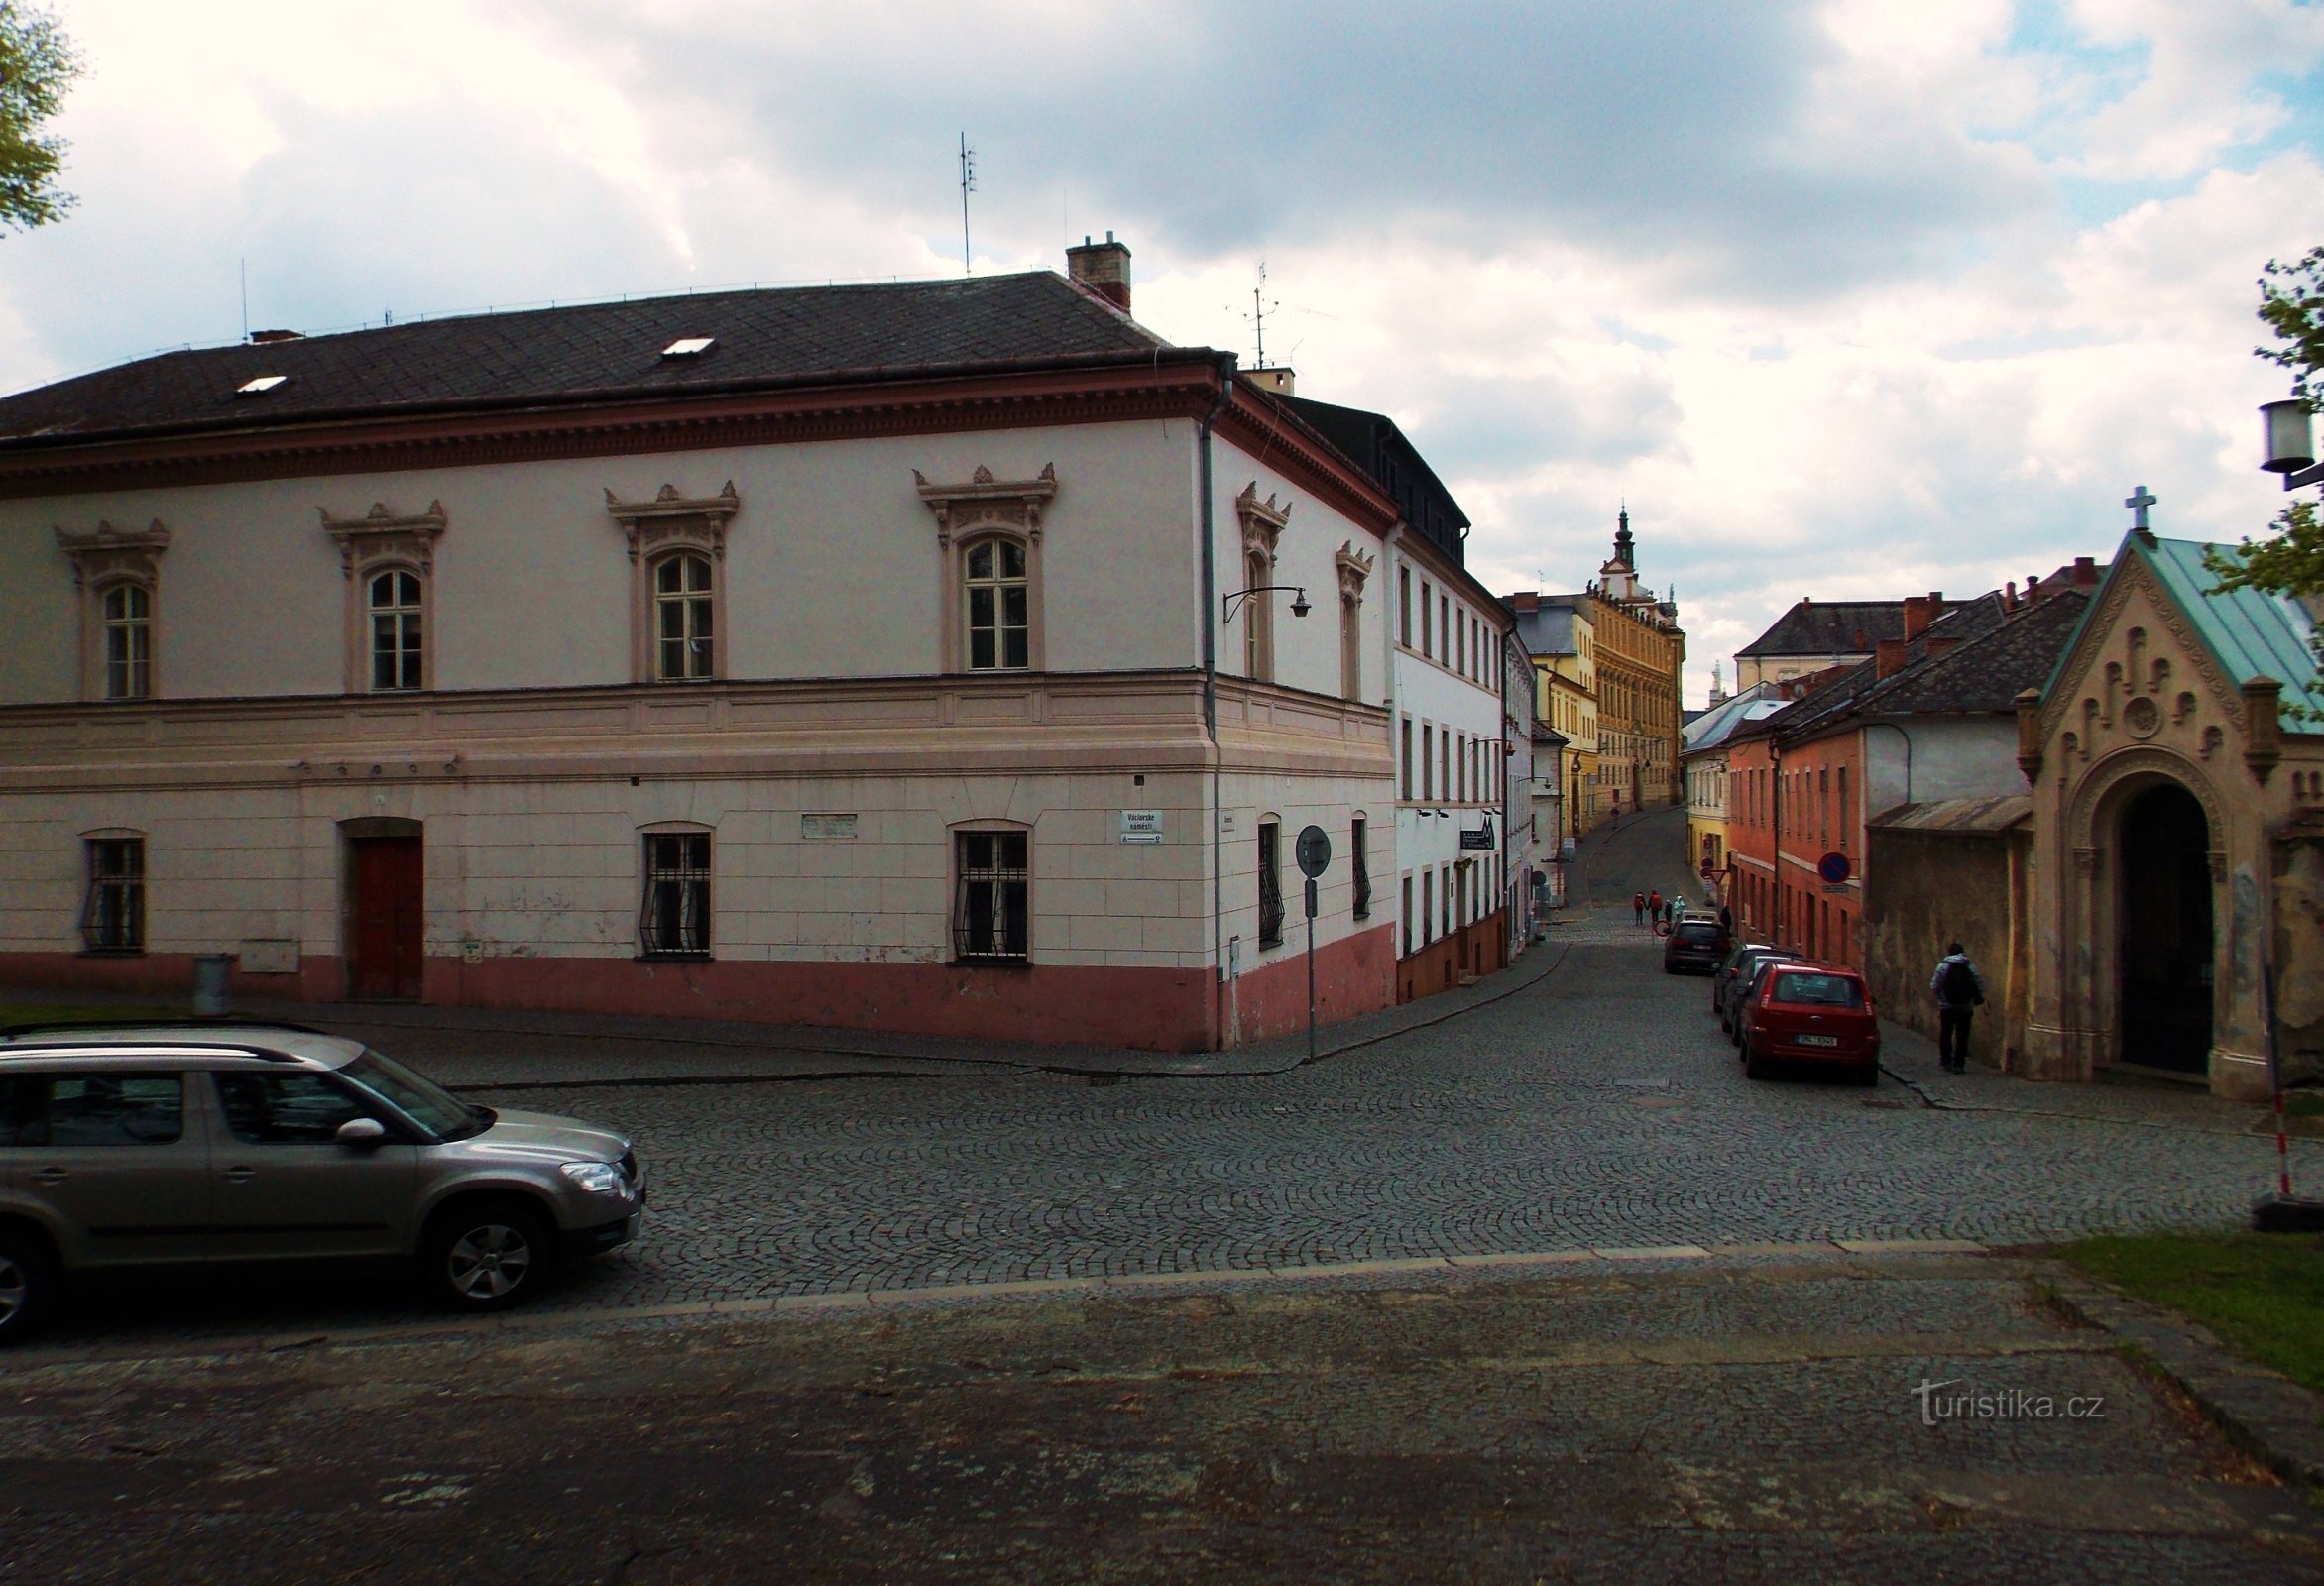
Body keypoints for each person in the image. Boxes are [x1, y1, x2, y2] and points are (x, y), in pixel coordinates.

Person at [1929, 942, 1987, 1073]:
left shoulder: (1943, 966)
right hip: (1965, 1006)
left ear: (1949, 952)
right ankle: (1959, 1063)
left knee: (1946, 1033)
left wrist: (1942, 997)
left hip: (1947, 1006)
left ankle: (1946, 1061)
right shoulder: (1970, 966)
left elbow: (1935, 986)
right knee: (1962, 1035)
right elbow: (1979, 985)